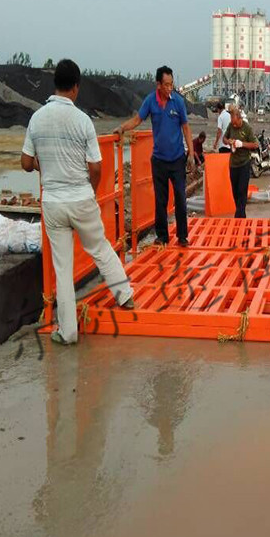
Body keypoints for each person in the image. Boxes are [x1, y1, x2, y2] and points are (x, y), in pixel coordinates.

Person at [21, 59, 134, 345]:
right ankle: (125, 295)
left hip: (54, 203)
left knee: (62, 267)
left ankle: (68, 332)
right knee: (100, 248)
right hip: (81, 197)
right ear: (75, 87)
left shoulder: (37, 118)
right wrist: (92, 190)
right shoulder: (83, 120)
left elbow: (25, 162)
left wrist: (42, 164)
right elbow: (96, 167)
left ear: (55, 85)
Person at [113, 66, 194, 247]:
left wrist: (191, 153)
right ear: (158, 84)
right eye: (166, 84)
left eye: (171, 84)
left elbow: (186, 128)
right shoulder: (150, 101)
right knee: (160, 200)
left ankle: (182, 236)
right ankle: (162, 236)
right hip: (159, 161)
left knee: (180, 198)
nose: (169, 88)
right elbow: (137, 120)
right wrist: (122, 128)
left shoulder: (178, 102)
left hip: (177, 159)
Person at [223, 106, 258, 218]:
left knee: (242, 190)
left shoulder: (247, 128)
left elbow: (255, 144)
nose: (234, 125)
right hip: (233, 164)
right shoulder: (231, 126)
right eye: (232, 123)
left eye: (235, 123)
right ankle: (240, 213)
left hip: (244, 163)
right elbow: (224, 138)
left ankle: (240, 216)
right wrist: (229, 142)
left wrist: (242, 144)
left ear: (239, 118)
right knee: (235, 191)